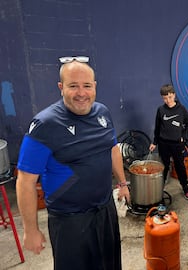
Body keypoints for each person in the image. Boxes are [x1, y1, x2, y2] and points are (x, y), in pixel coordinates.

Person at [16, 56, 130, 270]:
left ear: (94, 86)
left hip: (105, 212)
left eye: (87, 85)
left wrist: (123, 184)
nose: (81, 93)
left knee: (110, 265)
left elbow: (113, 149)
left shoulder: (103, 113)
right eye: (73, 86)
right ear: (61, 87)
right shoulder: (45, 124)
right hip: (70, 221)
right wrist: (30, 230)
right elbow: (25, 181)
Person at [149, 84, 188, 200]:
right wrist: (154, 142)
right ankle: (160, 189)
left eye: (169, 97)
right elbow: (157, 128)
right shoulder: (161, 110)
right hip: (164, 144)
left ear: (174, 95)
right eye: (164, 98)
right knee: (164, 167)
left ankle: (185, 187)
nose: (167, 100)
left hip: (177, 144)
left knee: (180, 166)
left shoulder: (181, 109)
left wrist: (183, 135)